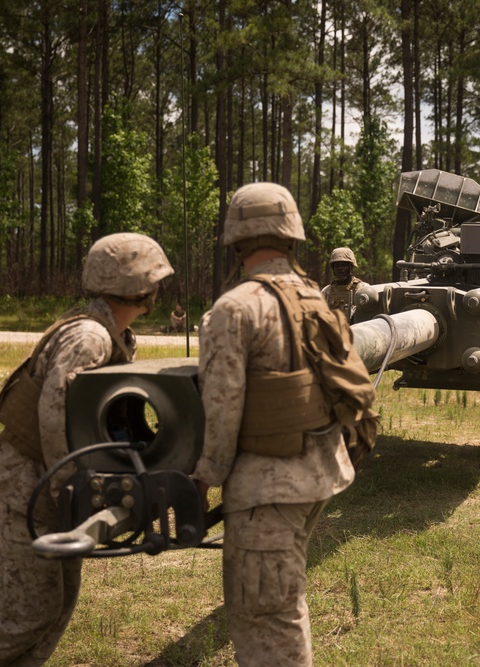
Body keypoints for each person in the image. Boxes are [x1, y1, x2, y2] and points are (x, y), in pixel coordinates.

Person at [0, 233, 173, 667]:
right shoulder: (89, 337)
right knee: (24, 615)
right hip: (23, 488)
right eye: (156, 280)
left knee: (53, 609)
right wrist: (70, 493)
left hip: (47, 486)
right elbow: (55, 420)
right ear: (139, 289)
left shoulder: (116, 334)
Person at [193, 183, 373, 666]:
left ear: (236, 242)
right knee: (285, 601)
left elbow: (222, 411)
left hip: (267, 487)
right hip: (319, 475)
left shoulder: (234, 310)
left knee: (267, 619)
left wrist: (201, 481)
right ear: (292, 237)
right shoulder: (314, 298)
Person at [321, 246, 363, 319]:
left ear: (350, 267)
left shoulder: (362, 288)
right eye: (337, 265)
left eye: (344, 265)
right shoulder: (327, 291)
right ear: (333, 268)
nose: (340, 269)